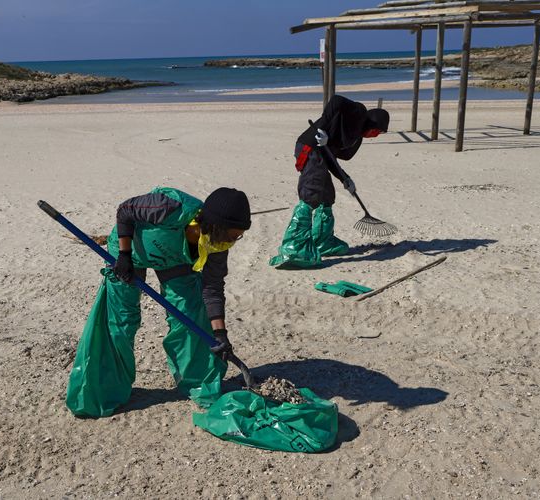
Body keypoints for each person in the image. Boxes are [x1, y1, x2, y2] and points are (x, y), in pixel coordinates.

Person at [66, 186, 251, 418]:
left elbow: (212, 289)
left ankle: (197, 384)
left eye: (238, 237)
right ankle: (103, 391)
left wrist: (220, 334)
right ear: (215, 224)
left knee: (190, 313)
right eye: (232, 235)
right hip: (131, 250)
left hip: (174, 259)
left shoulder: (217, 245)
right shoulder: (171, 207)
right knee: (121, 320)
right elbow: (126, 210)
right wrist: (123, 255)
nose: (233, 242)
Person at [270, 95, 389, 268]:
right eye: (377, 131)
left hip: (320, 154)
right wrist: (322, 129)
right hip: (309, 148)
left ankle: (322, 241)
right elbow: (336, 101)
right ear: (373, 124)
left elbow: (331, 157)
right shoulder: (358, 113)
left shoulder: (355, 139)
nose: (375, 136)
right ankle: (295, 248)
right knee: (311, 194)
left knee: (327, 197)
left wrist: (345, 179)